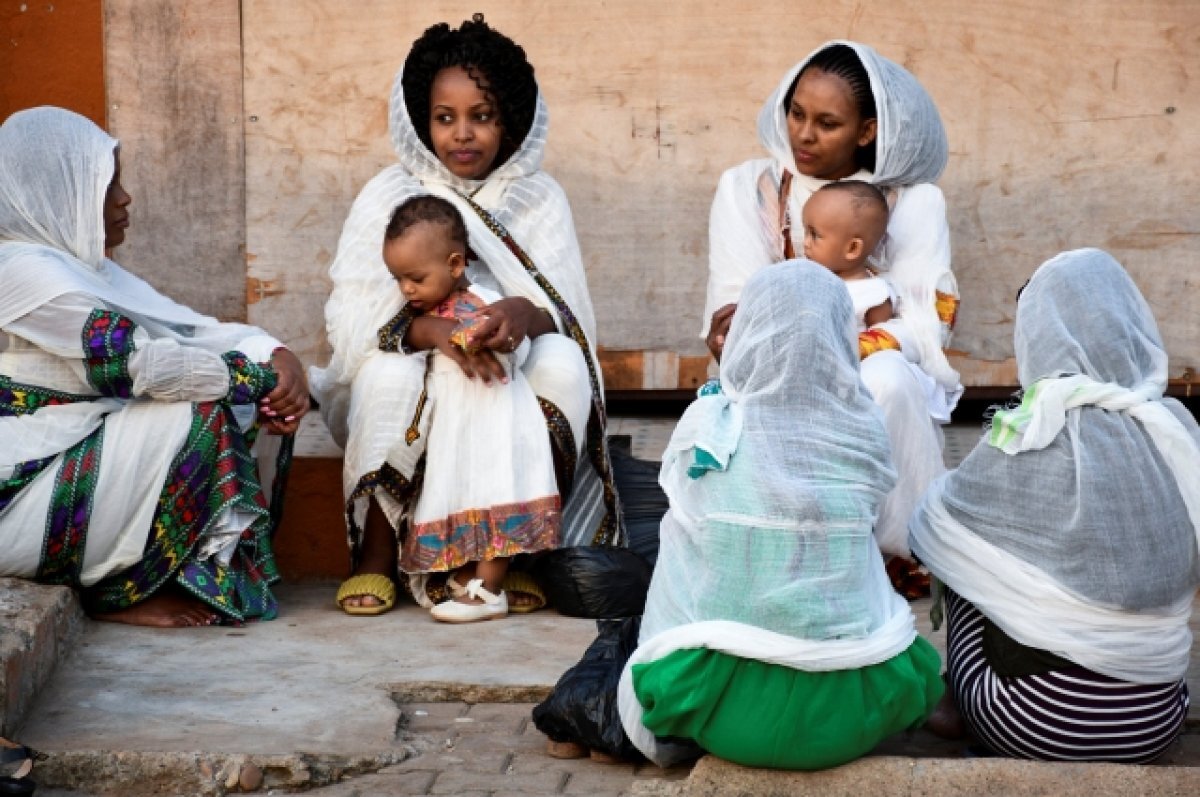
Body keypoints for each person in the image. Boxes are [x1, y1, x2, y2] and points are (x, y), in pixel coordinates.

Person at [311, 14, 621, 617]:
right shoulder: (388, 194)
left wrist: (520, 315)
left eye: (482, 115)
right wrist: (435, 334)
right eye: (444, 117)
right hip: (415, 347)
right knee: (391, 376)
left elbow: (568, 319)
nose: (463, 134)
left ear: (510, 120)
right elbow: (355, 324)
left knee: (560, 366)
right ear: (420, 122)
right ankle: (377, 554)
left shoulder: (539, 196)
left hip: (509, 353)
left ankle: (517, 556)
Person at [617, 261, 943, 770]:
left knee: (678, 552)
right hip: (851, 715)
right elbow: (889, 531)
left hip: (725, 713)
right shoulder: (863, 430)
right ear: (841, 337)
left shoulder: (709, 422)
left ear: (747, 334)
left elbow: (689, 530)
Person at [0, 106, 309, 628]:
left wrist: (279, 356)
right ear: (60, 191)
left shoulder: (85, 270)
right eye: (105, 184)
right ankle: (121, 592)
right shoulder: (23, 275)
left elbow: (191, 331)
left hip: (60, 465)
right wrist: (256, 380)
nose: (124, 199)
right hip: (16, 497)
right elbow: (139, 365)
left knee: (227, 406)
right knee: (198, 413)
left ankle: (140, 580)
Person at [910, 248, 1198, 763]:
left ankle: (956, 702)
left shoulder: (1030, 431)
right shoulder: (1176, 429)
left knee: (959, 542)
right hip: (1156, 722)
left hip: (1035, 720)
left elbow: (932, 527)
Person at [702, 41, 960, 559]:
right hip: (772, 368)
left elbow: (927, 326)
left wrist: (840, 351)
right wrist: (740, 335)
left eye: (827, 122)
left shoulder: (913, 200)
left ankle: (895, 552)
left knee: (886, 378)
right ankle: (786, 547)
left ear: (867, 131)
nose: (803, 133)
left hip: (874, 366)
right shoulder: (746, 188)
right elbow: (739, 308)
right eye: (796, 113)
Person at [378, 194, 560, 622]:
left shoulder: (485, 305)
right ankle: (467, 577)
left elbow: (516, 348)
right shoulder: (424, 312)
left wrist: (487, 339)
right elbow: (392, 338)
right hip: (460, 428)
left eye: (415, 278)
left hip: (496, 424)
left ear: (456, 265)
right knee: (464, 496)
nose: (406, 289)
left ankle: (490, 591)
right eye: (398, 279)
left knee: (496, 494)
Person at [801, 180, 893, 332]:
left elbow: (882, 344)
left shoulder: (872, 294)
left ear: (852, 248)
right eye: (806, 232)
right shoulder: (803, 279)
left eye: (814, 235)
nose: (805, 243)